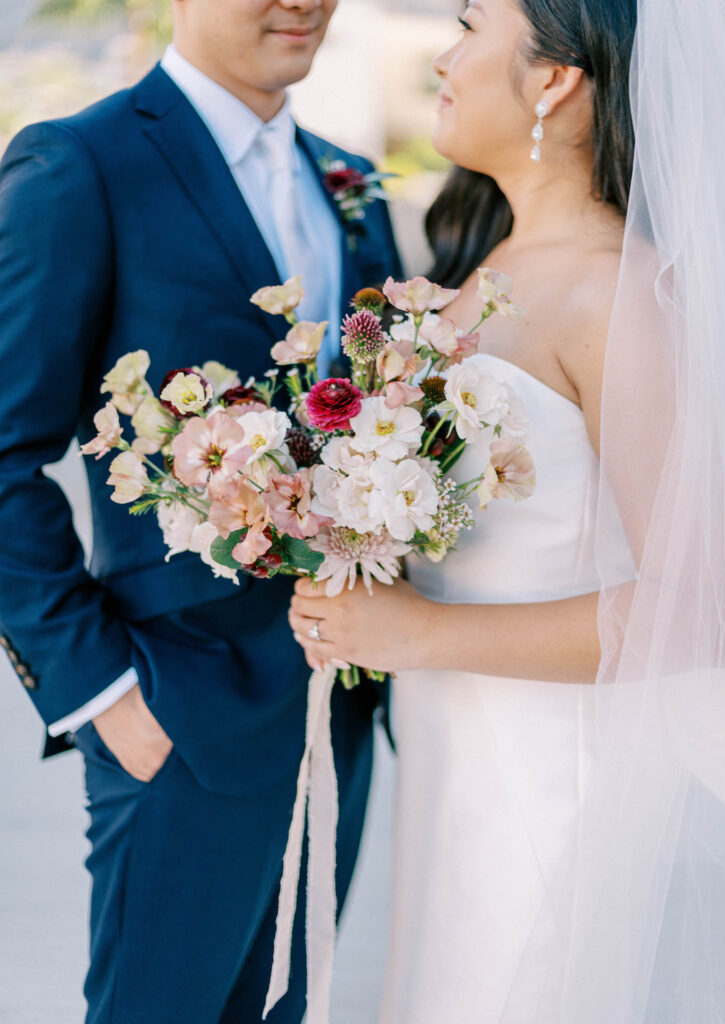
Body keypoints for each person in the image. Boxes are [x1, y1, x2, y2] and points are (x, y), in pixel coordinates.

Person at [291, 0, 725, 1020]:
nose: (447, 56)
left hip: (557, 783)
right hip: (458, 769)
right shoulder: (483, 274)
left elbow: (708, 604)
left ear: (555, 80)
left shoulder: (616, 294)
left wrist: (419, 631)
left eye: (469, 24)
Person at [0, 1, 401, 1021]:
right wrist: (101, 696)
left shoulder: (351, 180)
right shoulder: (80, 165)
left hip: (331, 720)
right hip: (173, 713)